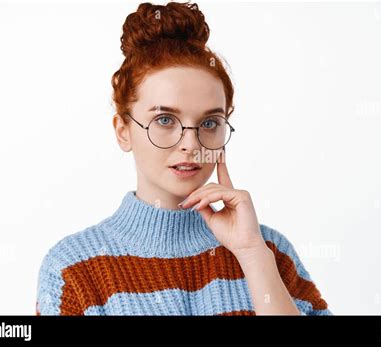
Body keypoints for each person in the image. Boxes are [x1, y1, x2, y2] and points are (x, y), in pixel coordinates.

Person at [36, 1, 332, 316]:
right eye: (164, 120)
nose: (191, 144)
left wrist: (252, 255)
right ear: (123, 130)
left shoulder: (271, 252)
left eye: (209, 123)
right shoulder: (74, 270)